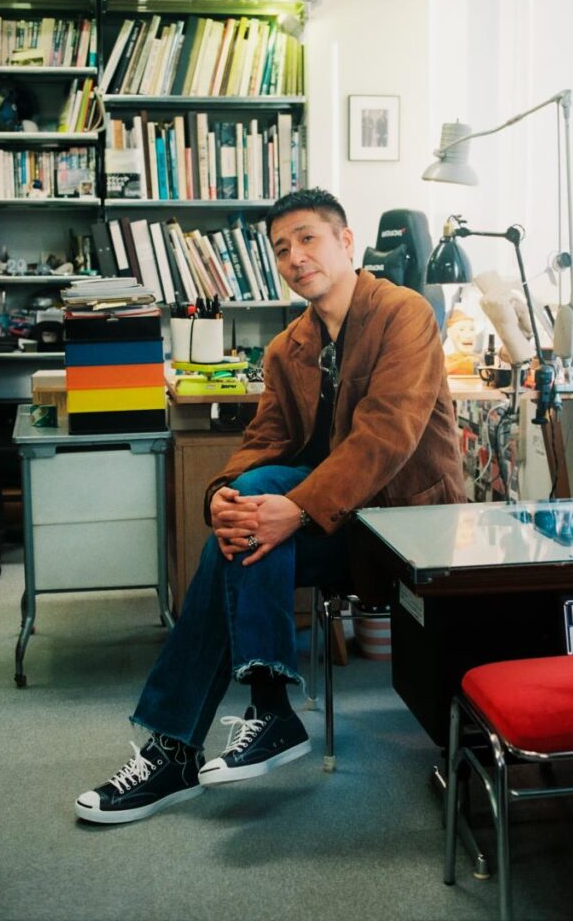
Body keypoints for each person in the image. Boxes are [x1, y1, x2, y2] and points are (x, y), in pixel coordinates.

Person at [75, 187, 466, 825]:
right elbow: (263, 442)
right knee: (241, 518)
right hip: (331, 523)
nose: (294, 257)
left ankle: (182, 748)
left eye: (307, 238)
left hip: (403, 526)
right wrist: (220, 497)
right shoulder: (288, 347)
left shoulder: (405, 314)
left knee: (253, 525)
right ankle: (261, 715)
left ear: (345, 241)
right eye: (281, 249)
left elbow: (385, 438)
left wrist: (298, 509)